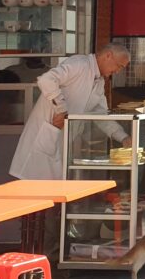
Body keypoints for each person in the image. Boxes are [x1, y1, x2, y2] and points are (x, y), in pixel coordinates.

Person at [9, 44, 133, 180]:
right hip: (44, 135)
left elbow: (100, 114)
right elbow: (46, 80)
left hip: (62, 141)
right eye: (119, 66)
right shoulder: (79, 64)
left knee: (53, 191)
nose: (117, 72)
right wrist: (62, 110)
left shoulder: (99, 82)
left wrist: (123, 137)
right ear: (108, 55)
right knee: (32, 188)